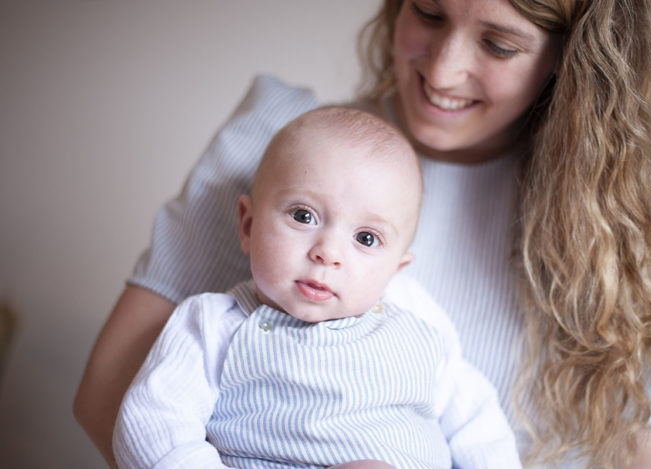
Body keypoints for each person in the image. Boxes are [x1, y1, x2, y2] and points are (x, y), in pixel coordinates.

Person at [74, 1, 651, 468]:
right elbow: (114, 396)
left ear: (571, 55)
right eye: (429, 13)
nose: (445, 69)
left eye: (499, 45)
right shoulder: (285, 147)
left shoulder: (619, 213)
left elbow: (638, 448)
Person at [112, 107, 521, 469]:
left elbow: (478, 426)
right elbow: (152, 424)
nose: (327, 253)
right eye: (304, 215)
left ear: (396, 270)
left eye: (365, 239)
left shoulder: (418, 322)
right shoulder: (212, 324)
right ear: (248, 226)